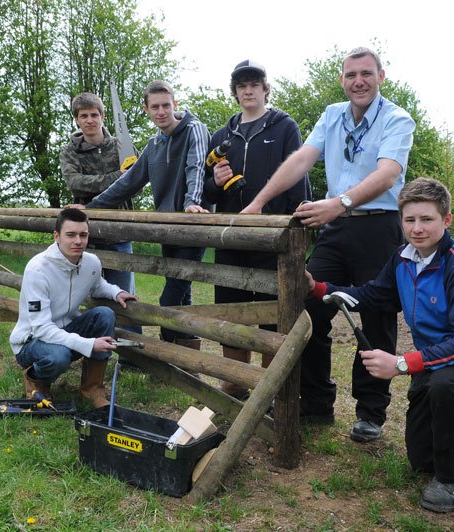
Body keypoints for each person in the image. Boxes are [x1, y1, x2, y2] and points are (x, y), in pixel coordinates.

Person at [306, 177, 454, 513]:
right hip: (436, 360)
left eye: (426, 219)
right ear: (400, 220)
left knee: (449, 383)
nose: (417, 229)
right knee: (422, 457)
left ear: (446, 220)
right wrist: (318, 287)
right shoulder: (402, 258)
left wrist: (401, 364)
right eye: (409, 220)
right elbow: (374, 295)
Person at [243, 47, 416, 441]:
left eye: (366, 74)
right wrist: (259, 201)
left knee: (376, 316)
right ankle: (317, 402)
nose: (359, 81)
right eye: (351, 74)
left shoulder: (397, 119)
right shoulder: (332, 114)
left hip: (379, 226)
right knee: (307, 305)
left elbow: (388, 175)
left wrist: (339, 203)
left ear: (381, 76)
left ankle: (370, 413)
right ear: (342, 79)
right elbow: (302, 159)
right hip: (336, 230)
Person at [203, 60, 311, 399]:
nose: (248, 90)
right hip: (230, 237)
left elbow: (298, 178)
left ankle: (269, 388)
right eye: (241, 85)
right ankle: (234, 383)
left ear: (266, 89)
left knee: (273, 312)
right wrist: (215, 183)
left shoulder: (284, 127)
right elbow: (204, 193)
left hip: (273, 237)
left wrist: (299, 228)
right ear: (234, 92)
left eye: (254, 84)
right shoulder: (221, 136)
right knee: (231, 311)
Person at [81, 80, 211, 351]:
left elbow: (196, 166)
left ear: (175, 104)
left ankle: (164, 346)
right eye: (155, 107)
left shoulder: (194, 129)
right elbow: (129, 183)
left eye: (166, 105)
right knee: (181, 290)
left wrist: (191, 202)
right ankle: (184, 356)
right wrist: (92, 206)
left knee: (171, 293)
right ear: (147, 110)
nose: (161, 111)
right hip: (167, 227)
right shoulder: (153, 144)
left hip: (192, 223)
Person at [9, 208, 138, 407]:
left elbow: (98, 284)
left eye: (83, 235)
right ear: (57, 236)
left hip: (65, 331)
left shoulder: (91, 262)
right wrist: (88, 344)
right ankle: (36, 381)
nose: (78, 241)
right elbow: (41, 329)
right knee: (58, 356)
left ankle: (92, 390)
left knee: (104, 314)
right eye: (70, 235)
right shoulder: (37, 269)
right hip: (31, 341)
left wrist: (116, 292)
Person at [60, 92, 137, 296]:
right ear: (77, 119)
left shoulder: (122, 146)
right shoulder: (69, 151)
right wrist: (118, 177)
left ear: (102, 116)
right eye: (84, 116)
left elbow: (135, 183)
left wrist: (123, 180)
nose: (89, 120)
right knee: (89, 295)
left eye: (94, 114)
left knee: (125, 294)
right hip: (85, 235)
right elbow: (75, 184)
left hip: (120, 232)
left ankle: (130, 330)